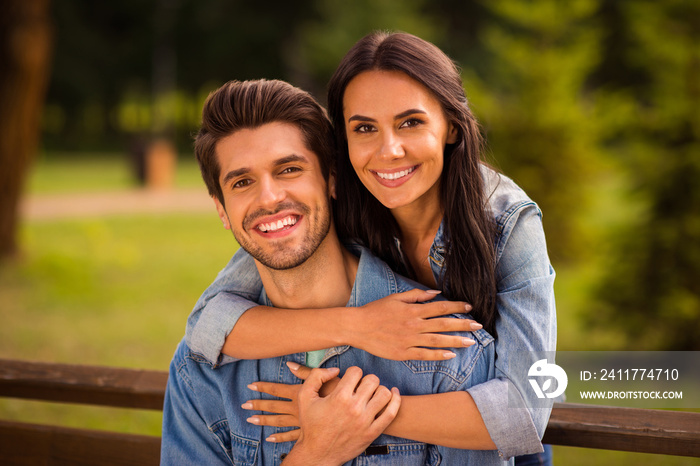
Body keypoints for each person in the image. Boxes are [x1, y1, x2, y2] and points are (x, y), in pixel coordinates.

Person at [186, 31, 556, 464]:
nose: (389, 150)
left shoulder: (507, 222)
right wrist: (358, 325)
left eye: (410, 122)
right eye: (365, 128)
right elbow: (209, 327)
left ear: (451, 125)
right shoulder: (330, 205)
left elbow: (524, 413)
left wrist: (348, 416)